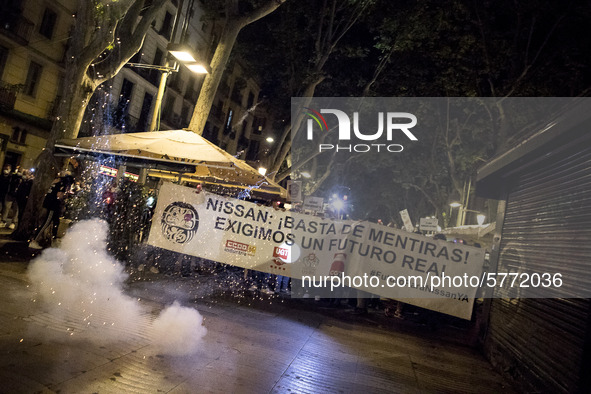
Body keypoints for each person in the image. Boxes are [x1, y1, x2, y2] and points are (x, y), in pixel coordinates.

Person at [29, 172, 74, 249]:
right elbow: (59, 195)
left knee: (56, 222)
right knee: (46, 222)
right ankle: (34, 241)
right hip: (53, 205)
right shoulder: (62, 184)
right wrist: (66, 195)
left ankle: (53, 240)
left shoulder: (57, 181)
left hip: (51, 204)